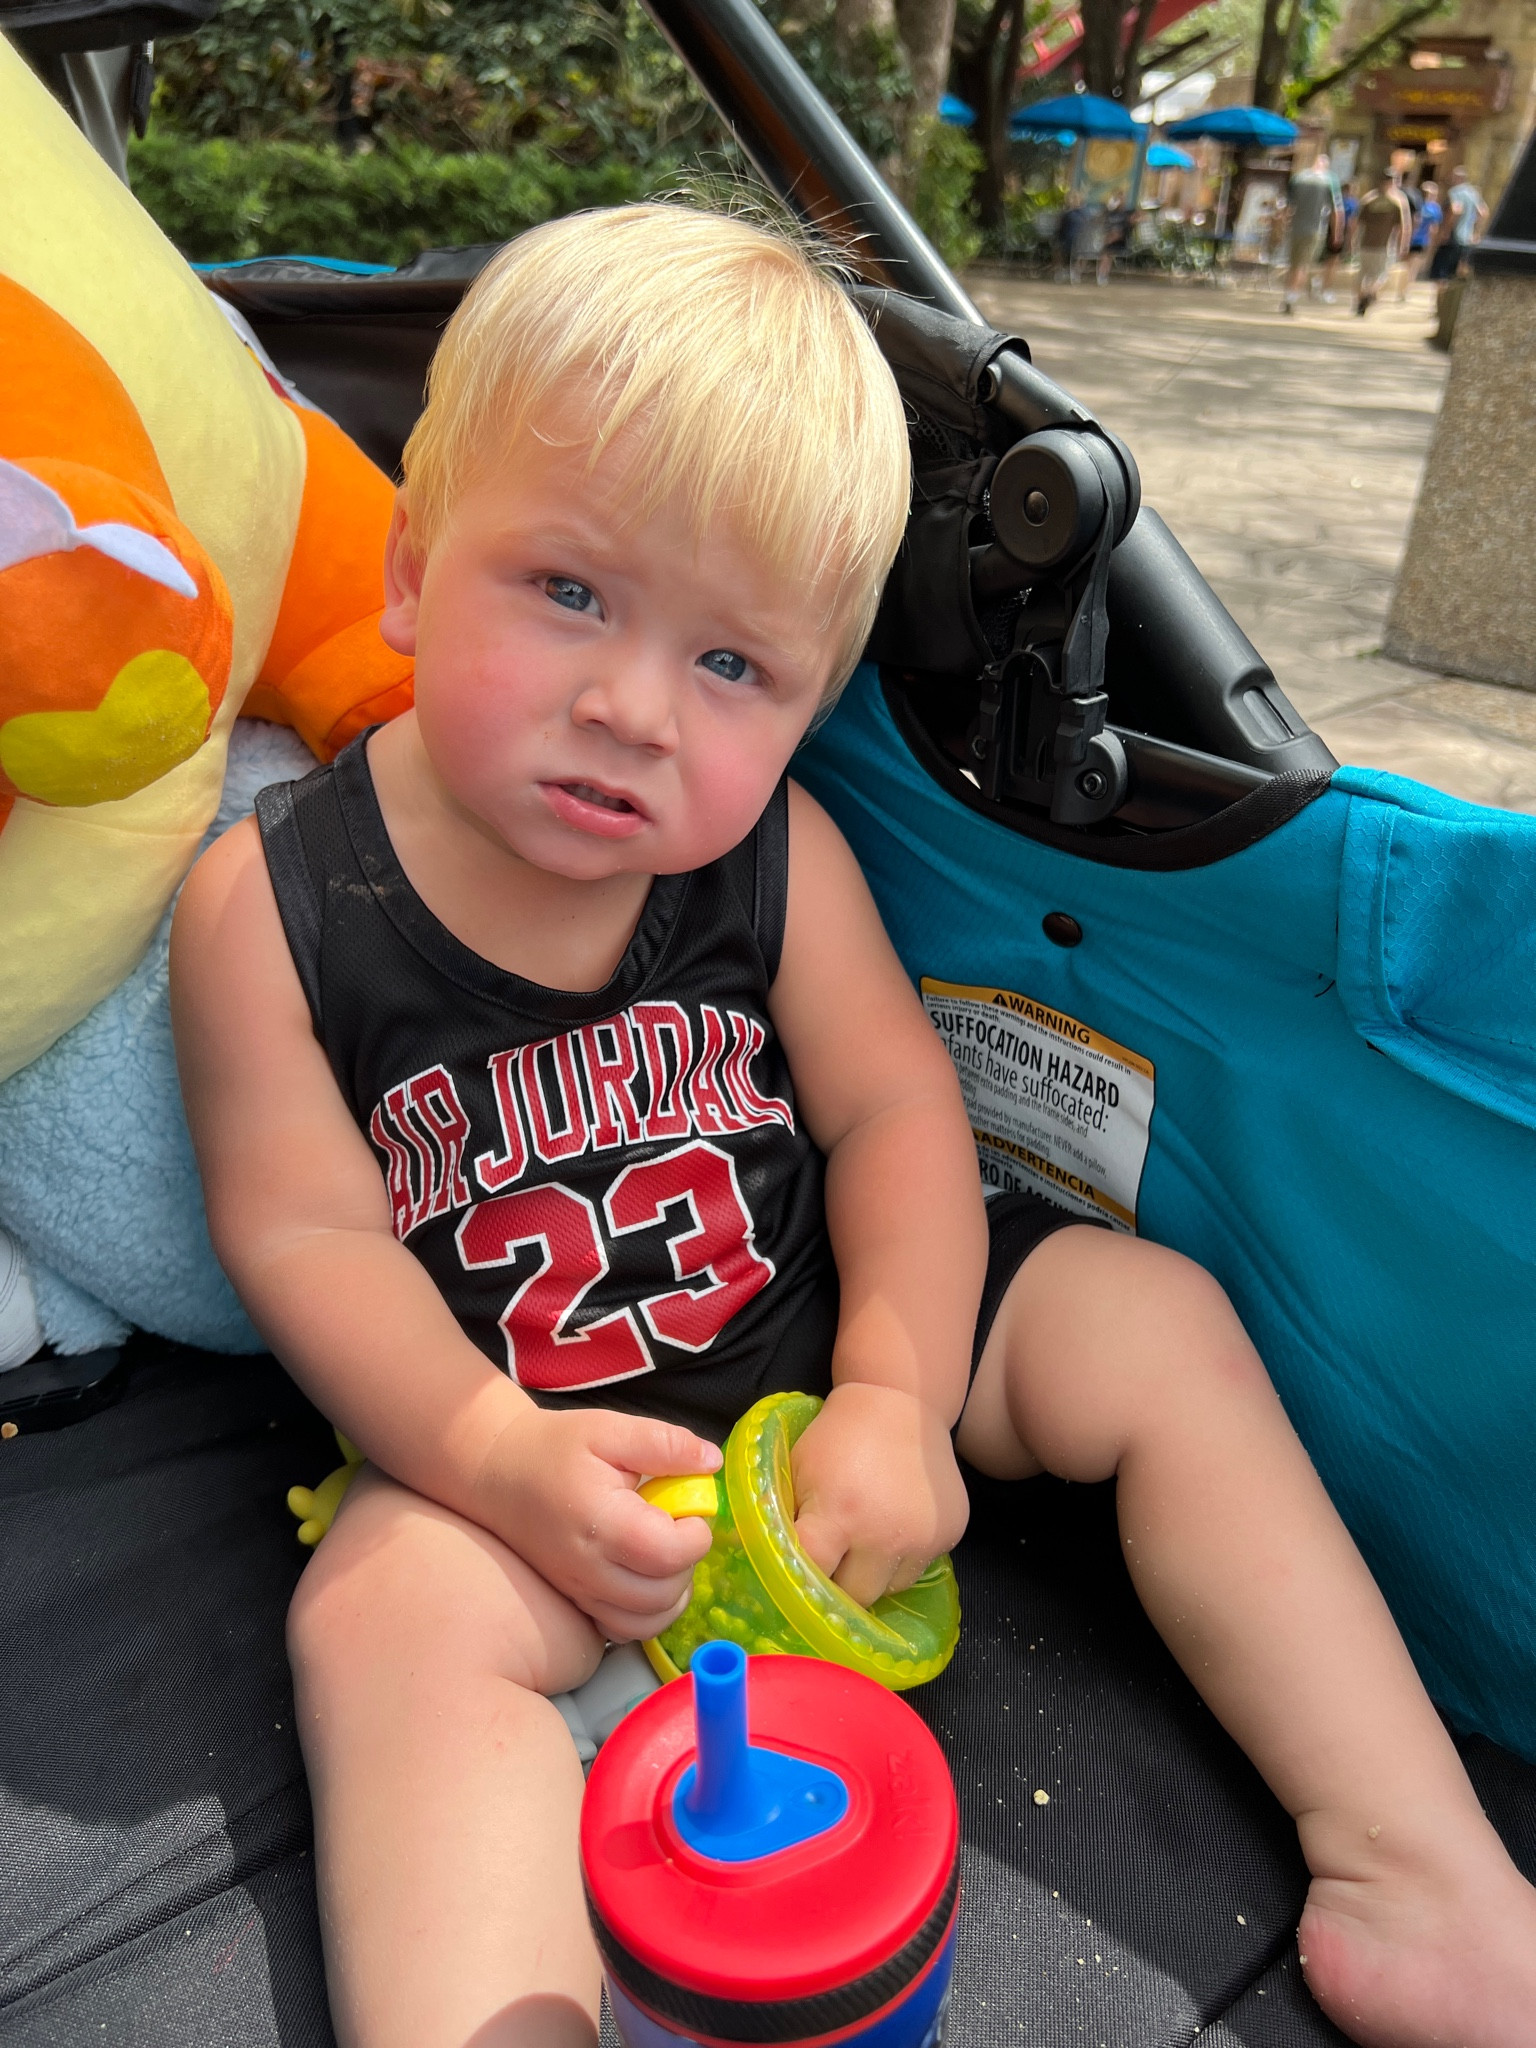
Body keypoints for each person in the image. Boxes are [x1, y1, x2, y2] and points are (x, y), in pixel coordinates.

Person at [171, 201, 1536, 2048]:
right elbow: (304, 1236)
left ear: (813, 701)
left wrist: (896, 1391)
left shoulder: (777, 857)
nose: (632, 708)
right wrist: (487, 1457)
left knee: (1148, 1318)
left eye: (732, 668)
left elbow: (896, 1115)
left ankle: (1415, 1863)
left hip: (825, 1366)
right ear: (414, 568)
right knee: (380, 1618)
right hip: (528, 1452)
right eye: (566, 591)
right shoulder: (272, 906)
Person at [1280, 150, 1338, 313]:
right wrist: (1336, 232)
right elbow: (1336, 210)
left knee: (1293, 264)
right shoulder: (1329, 181)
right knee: (1303, 265)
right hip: (1314, 229)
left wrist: (1284, 225)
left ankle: (1288, 294)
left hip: (1295, 228)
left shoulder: (1298, 178)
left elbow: (1287, 207)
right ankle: (1291, 297)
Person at [1353, 167, 1412, 314]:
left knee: (1363, 274)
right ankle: (1369, 294)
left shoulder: (1369, 198)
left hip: (1365, 243)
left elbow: (1356, 222)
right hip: (1384, 245)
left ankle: (1360, 301)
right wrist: (1403, 245)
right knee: (1381, 275)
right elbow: (1404, 226)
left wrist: (1352, 241)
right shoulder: (1398, 201)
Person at [1399, 176, 1441, 298]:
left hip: (1420, 240)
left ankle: (1405, 289)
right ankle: (1403, 288)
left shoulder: (1432, 208)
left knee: (1411, 265)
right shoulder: (1418, 204)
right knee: (1407, 265)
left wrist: (1431, 243)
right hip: (1411, 238)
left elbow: (1434, 228)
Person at [1321, 177, 1357, 301]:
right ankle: (1326, 288)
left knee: (1329, 262)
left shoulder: (1335, 200)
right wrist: (1349, 239)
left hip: (1329, 231)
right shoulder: (1351, 204)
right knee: (1333, 263)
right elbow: (1352, 223)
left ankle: (1322, 284)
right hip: (1341, 232)